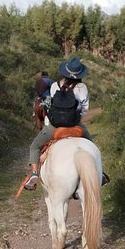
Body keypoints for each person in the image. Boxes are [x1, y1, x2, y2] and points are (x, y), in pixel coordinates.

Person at [24, 57, 93, 190]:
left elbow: (50, 106)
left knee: (34, 146)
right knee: (91, 145)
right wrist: (75, 119)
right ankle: (99, 174)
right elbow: (84, 110)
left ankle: (34, 174)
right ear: (80, 74)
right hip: (75, 124)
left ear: (65, 72)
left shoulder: (55, 85)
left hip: (55, 126)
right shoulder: (83, 87)